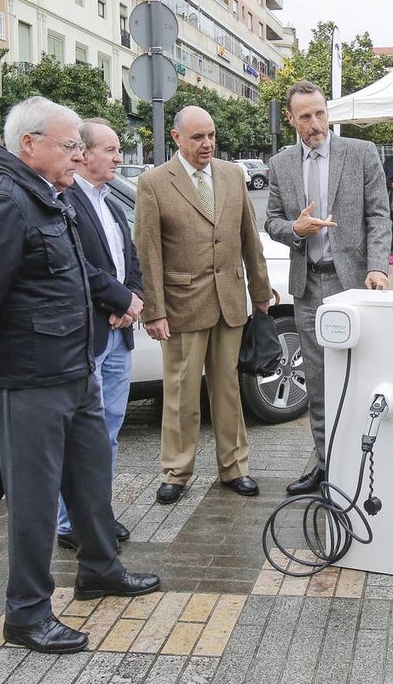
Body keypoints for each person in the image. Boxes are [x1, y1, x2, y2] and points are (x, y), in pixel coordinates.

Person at [0, 96, 159, 654]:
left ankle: (99, 570)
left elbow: (79, 272)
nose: (77, 154)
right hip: (30, 378)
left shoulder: (49, 195)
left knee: (90, 480)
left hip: (75, 368)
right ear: (30, 145)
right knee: (36, 499)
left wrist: (121, 296)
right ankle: (26, 613)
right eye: (69, 146)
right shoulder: (3, 202)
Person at [134, 106, 272, 505]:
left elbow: (251, 239)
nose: (207, 143)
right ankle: (176, 472)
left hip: (229, 301)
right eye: (197, 137)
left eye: (211, 135)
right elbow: (148, 253)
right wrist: (154, 310)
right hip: (180, 307)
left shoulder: (232, 175)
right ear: (177, 138)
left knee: (228, 388)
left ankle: (235, 468)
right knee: (181, 391)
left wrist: (260, 292)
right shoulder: (154, 183)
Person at [265, 80, 390, 496]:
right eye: (305, 116)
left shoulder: (360, 153)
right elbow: (272, 222)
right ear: (291, 119)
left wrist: (378, 268)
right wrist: (295, 230)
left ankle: (363, 462)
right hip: (308, 285)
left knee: (358, 375)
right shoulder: (281, 164)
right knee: (316, 381)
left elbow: (378, 216)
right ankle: (326, 465)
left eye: (320, 113)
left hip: (351, 282)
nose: (315, 123)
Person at [54, 118, 144, 551]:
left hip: (117, 334)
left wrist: (134, 299)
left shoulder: (109, 202)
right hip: (85, 334)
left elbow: (130, 259)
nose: (118, 157)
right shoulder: (64, 201)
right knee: (79, 432)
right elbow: (75, 266)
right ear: (84, 153)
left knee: (108, 429)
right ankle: (70, 521)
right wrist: (119, 299)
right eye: (110, 149)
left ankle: (97, 512)